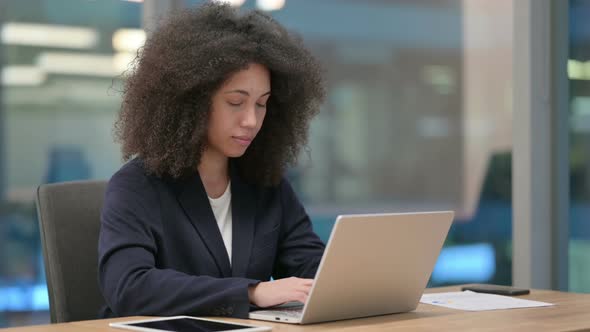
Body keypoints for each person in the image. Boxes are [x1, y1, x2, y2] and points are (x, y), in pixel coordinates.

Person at [97, 2, 326, 319]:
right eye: (236, 102)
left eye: (262, 105)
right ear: (192, 100)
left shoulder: (265, 183)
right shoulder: (137, 186)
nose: (251, 120)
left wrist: (351, 279)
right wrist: (251, 292)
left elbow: (311, 266)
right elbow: (129, 286)